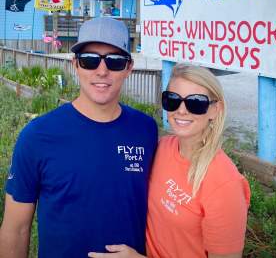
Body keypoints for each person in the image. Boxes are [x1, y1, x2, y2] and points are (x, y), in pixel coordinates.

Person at [0, 17, 158, 258]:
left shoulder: (145, 130)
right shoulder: (38, 136)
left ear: (128, 68)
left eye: (114, 62)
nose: (102, 71)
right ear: (75, 64)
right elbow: (16, 230)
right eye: (89, 60)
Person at [88, 63, 250, 258]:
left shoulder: (225, 184)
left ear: (215, 110)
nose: (181, 110)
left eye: (196, 103)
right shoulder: (162, 147)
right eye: (172, 100)